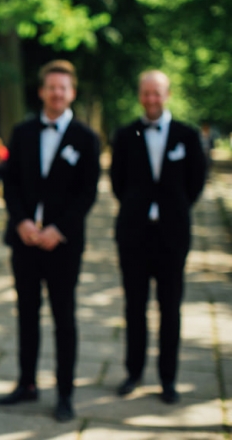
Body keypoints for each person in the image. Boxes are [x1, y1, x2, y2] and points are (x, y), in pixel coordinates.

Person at [0, 60, 100, 422]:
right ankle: (26, 384)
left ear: (71, 93)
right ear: (41, 91)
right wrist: (22, 221)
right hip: (24, 241)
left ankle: (65, 393)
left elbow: (87, 193)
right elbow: (9, 183)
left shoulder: (87, 139)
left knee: (63, 317)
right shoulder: (22, 132)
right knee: (26, 314)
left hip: (63, 244)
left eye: (63, 88)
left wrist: (59, 229)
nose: (57, 93)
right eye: (51, 87)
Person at [110, 70, 206, 404]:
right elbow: (117, 182)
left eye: (157, 93)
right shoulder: (124, 135)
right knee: (134, 307)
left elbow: (196, 183)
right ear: (140, 95)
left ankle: (168, 378)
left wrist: (172, 211)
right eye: (146, 93)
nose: (151, 99)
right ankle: (133, 372)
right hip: (134, 235)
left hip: (172, 236)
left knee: (170, 308)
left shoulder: (188, 135)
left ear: (167, 94)